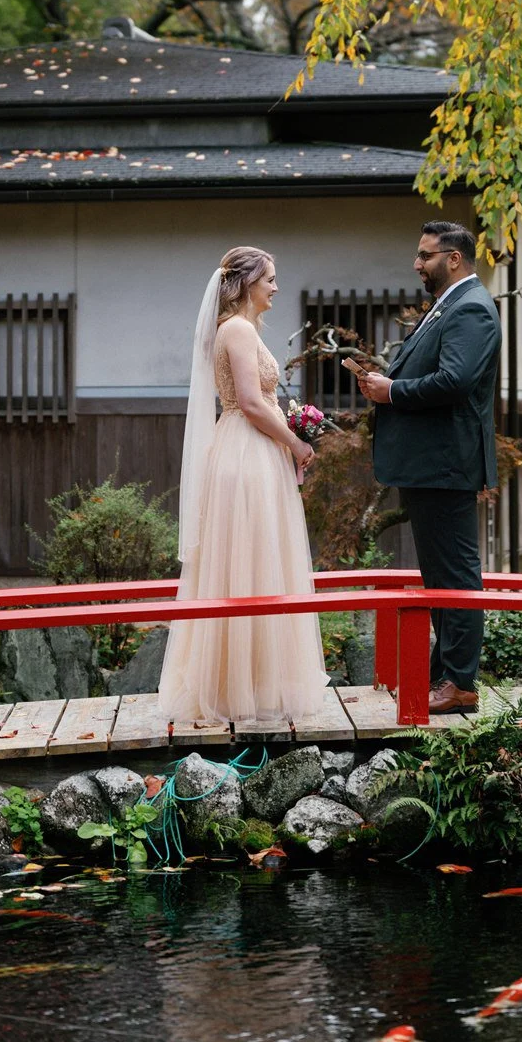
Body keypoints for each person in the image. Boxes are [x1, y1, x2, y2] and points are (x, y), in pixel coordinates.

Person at [157, 245, 328, 724]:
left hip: (254, 447)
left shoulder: (245, 329)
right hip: (245, 450)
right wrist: (295, 444)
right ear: (248, 282)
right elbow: (252, 403)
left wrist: (291, 430)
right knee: (246, 563)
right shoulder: (235, 328)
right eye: (270, 278)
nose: (276, 287)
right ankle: (233, 690)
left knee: (258, 561)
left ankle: (252, 681)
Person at [344, 221, 501, 713]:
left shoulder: (472, 307)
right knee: (440, 573)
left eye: (425, 255)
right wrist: (384, 382)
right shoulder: (448, 305)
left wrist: (393, 391)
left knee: (455, 573)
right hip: (429, 463)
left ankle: (459, 683)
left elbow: (455, 380)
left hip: (445, 462)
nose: (417, 264)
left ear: (454, 258)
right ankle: (443, 675)